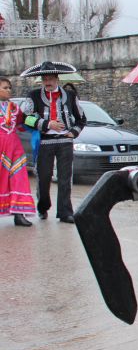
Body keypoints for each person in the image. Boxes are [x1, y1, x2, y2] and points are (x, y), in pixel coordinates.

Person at [20, 61, 85, 224]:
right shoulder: (33, 95)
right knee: (44, 177)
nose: (47, 82)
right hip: (44, 141)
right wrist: (47, 124)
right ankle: (43, 207)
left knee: (65, 177)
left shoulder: (70, 96)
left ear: (57, 78)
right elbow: (25, 118)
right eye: (44, 79)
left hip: (65, 141)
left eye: (50, 78)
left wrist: (73, 132)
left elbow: (82, 119)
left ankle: (65, 212)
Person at [0, 77, 35, 226]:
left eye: (9, 88)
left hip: (14, 147)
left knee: (19, 178)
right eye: (5, 88)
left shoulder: (14, 107)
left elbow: (23, 122)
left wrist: (41, 122)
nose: (9, 90)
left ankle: (19, 214)